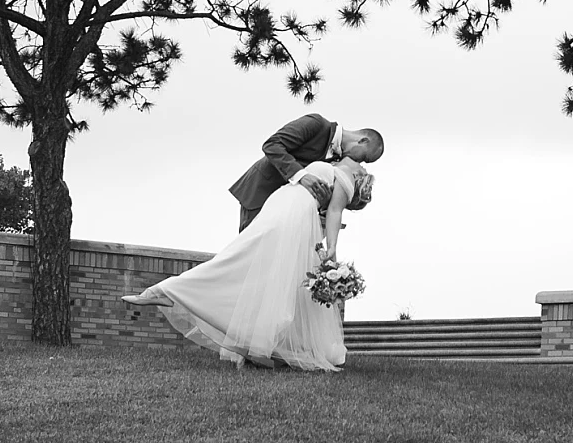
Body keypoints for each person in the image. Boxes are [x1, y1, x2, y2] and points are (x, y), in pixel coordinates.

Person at [121, 157, 374, 371]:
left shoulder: (335, 170)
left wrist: (327, 255)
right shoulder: (345, 177)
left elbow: (331, 210)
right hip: (289, 212)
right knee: (250, 264)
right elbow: (335, 211)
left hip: (281, 203)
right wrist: (332, 251)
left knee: (257, 269)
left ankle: (174, 293)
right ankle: (172, 290)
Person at [228, 113, 384, 231]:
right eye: (364, 158)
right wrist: (302, 176)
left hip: (285, 210)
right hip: (261, 193)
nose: (359, 162)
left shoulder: (338, 161)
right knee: (249, 251)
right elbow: (272, 144)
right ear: (363, 141)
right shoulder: (316, 123)